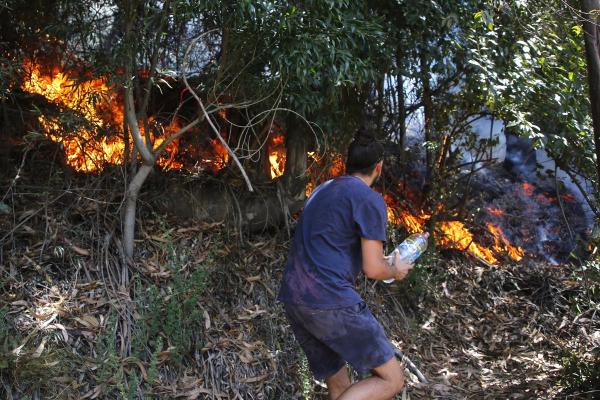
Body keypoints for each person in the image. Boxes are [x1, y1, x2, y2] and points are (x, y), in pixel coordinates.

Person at [278, 128, 413, 400]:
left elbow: (335, 246)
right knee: (391, 378)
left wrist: (383, 263)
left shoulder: (322, 190)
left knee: (339, 384)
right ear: (379, 167)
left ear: (347, 163)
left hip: (295, 297)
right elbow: (374, 269)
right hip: (330, 299)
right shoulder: (368, 199)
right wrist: (395, 270)